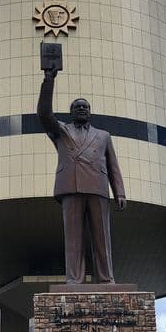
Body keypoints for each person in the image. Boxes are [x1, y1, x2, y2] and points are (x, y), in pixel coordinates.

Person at [38, 64, 126, 283]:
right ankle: (74, 280)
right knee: (73, 239)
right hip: (71, 186)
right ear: (71, 112)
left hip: (98, 187)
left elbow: (113, 165)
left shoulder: (103, 135)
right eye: (77, 106)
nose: (81, 109)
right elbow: (44, 113)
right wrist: (49, 79)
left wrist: (120, 193)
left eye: (85, 106)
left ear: (90, 112)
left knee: (102, 238)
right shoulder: (61, 131)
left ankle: (106, 279)